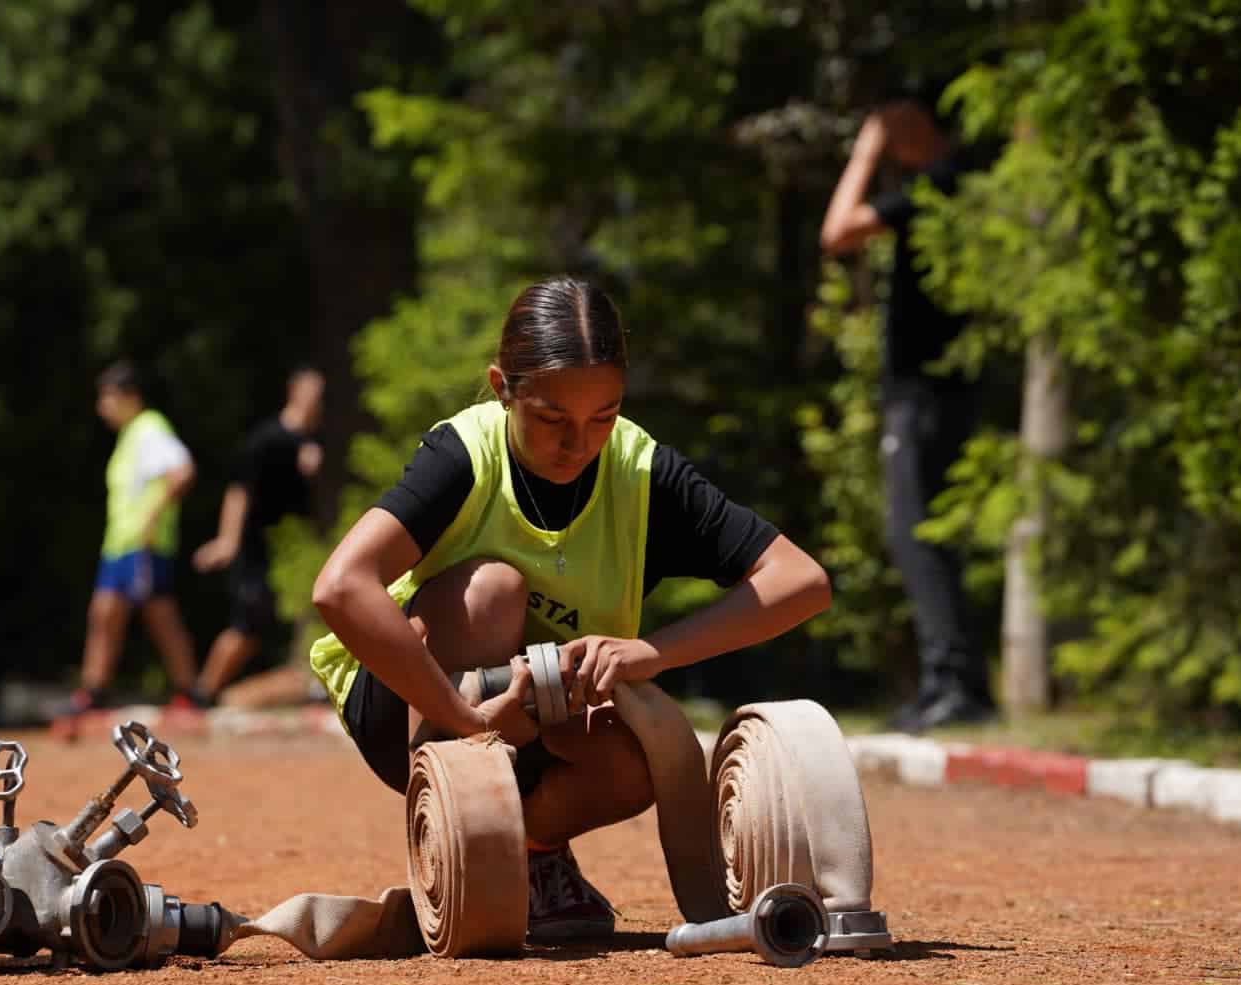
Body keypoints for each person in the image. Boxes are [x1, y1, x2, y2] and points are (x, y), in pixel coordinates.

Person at [307, 277, 832, 941]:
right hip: (416, 705)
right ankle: (452, 831)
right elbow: (341, 587)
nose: (578, 443)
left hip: (541, 720)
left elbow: (802, 580)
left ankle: (533, 855)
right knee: (494, 589)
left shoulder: (643, 473)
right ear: (503, 388)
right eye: (553, 418)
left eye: (603, 417)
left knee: (648, 748)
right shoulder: (464, 455)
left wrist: (651, 651)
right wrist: (468, 720)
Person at [819, 93, 998, 733]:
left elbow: (835, 233)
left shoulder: (941, 184)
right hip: (932, 389)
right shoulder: (954, 185)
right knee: (924, 534)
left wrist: (866, 152)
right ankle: (950, 683)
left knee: (914, 530)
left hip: (926, 391)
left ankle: (955, 686)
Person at [61, 363, 200, 717]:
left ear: (130, 397)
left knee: (158, 613)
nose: (101, 406)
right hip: (120, 545)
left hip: (144, 543)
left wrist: (152, 518)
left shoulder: (149, 428)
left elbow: (182, 472)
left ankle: (188, 690)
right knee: (105, 613)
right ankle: (94, 691)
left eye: (107, 397)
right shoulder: (129, 436)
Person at [190, 368, 325, 706]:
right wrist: (227, 541)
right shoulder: (268, 438)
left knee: (284, 622)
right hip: (254, 548)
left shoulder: (309, 443)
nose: (316, 402)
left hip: (287, 553)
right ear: (293, 392)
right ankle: (202, 694)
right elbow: (240, 490)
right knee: (246, 624)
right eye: (311, 393)